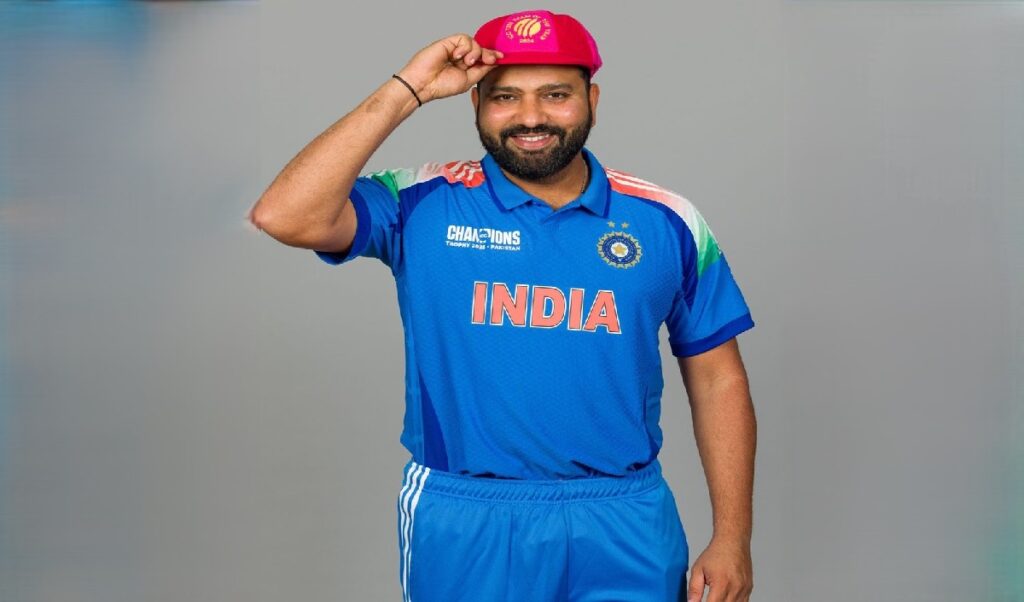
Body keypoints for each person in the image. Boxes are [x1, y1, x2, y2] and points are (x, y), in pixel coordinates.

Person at [249, 10, 756, 602]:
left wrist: (733, 538)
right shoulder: (420, 202)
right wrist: (408, 89)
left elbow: (719, 379)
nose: (530, 116)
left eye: (556, 95)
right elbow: (283, 215)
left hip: (626, 518)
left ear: (592, 101)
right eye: (505, 97)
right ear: (474, 103)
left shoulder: (667, 221)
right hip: (469, 518)